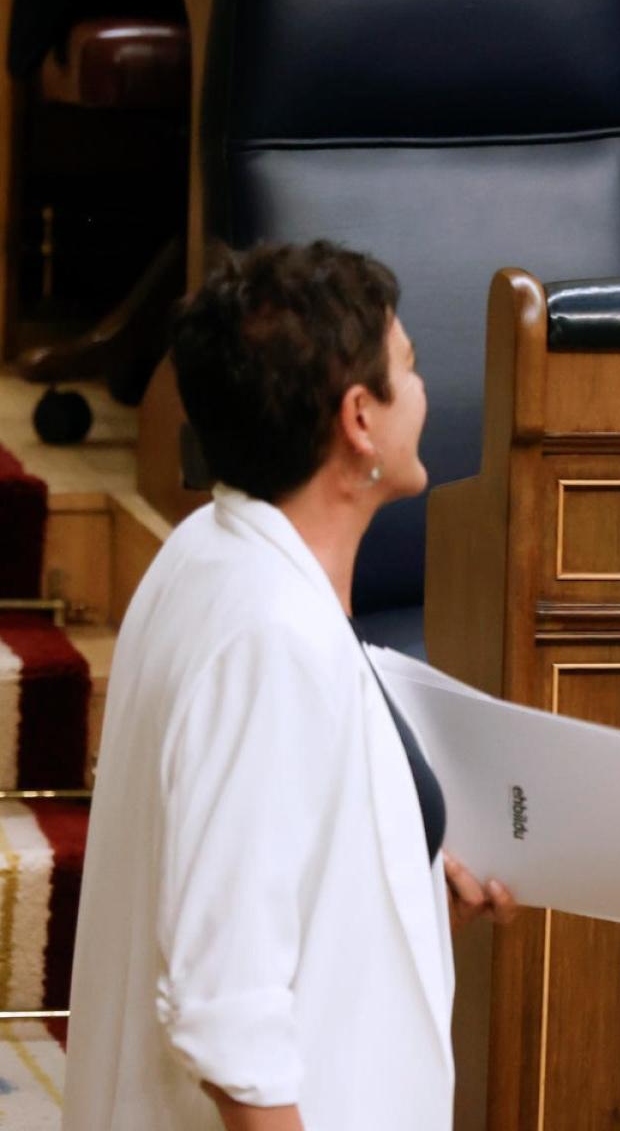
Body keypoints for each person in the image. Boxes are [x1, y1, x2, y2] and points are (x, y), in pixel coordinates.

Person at [62, 241, 515, 1131]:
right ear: (359, 418)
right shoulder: (270, 639)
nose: (423, 395)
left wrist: (415, 902)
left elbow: (259, 875)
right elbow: (225, 1004)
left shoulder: (209, 553)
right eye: (410, 371)